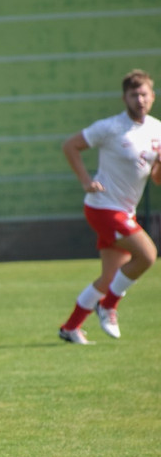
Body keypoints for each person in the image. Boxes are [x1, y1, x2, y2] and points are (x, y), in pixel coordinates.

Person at [59, 69, 161, 344]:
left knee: (109, 277)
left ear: (152, 96)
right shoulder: (110, 127)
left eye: (144, 94)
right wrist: (85, 181)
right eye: (133, 94)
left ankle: (70, 328)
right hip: (103, 207)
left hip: (125, 210)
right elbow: (70, 145)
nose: (139, 99)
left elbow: (156, 179)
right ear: (124, 98)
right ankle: (109, 306)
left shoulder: (157, 129)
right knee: (148, 255)